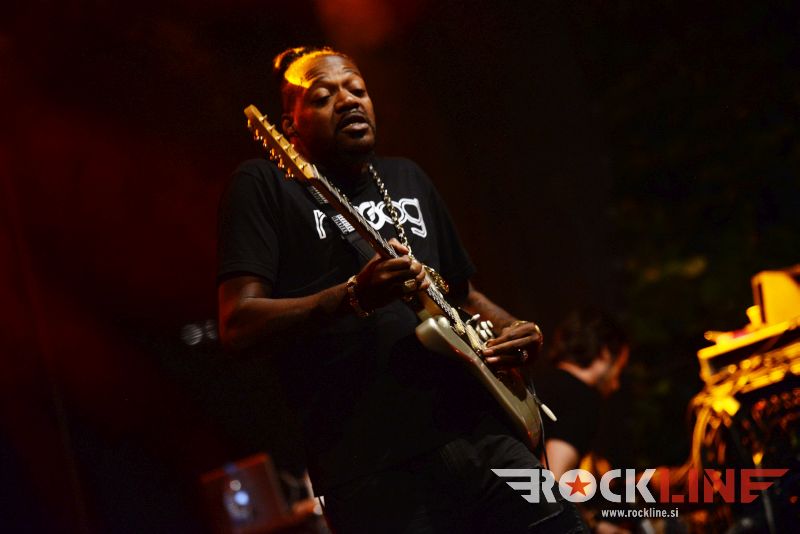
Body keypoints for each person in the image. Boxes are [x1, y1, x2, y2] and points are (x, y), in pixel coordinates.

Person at [217, 45, 588, 533]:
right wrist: (352, 295)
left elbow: (461, 294)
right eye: (323, 96)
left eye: (357, 89)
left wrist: (515, 328)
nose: (348, 101)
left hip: (484, 435)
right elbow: (238, 323)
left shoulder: (407, 176)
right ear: (289, 126)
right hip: (371, 468)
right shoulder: (265, 183)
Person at [536, 308, 630, 534]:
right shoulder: (582, 398)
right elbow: (553, 483)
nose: (616, 384)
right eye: (619, 369)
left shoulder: (541, 382)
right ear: (605, 354)